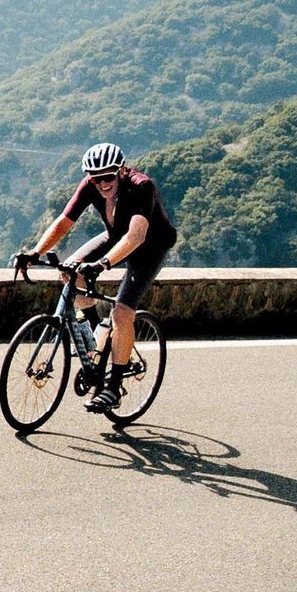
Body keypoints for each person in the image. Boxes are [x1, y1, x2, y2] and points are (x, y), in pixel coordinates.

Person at [15, 141, 181, 411]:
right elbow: (64, 222)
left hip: (149, 246)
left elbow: (136, 235)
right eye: (96, 178)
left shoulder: (141, 186)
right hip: (115, 237)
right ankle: (96, 334)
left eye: (107, 177)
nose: (102, 183)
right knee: (70, 271)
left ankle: (113, 387)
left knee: (122, 313)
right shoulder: (90, 186)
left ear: (121, 171)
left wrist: (102, 264)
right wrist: (35, 252)